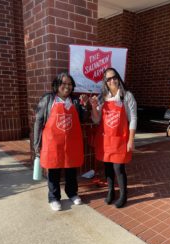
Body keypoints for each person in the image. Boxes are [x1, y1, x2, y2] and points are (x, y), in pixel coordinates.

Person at [34, 72, 88, 211]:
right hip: (52, 143)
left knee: (71, 169)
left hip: (71, 143)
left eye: (70, 84)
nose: (67, 87)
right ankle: (54, 197)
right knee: (54, 170)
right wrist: (36, 143)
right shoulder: (48, 99)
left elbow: (83, 119)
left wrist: (84, 106)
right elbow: (38, 122)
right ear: (57, 85)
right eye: (64, 83)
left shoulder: (75, 101)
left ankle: (72, 193)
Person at [89, 67, 137, 208]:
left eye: (114, 77)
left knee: (118, 168)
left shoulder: (127, 96)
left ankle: (123, 194)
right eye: (108, 79)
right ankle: (111, 191)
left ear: (118, 78)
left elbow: (133, 118)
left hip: (121, 140)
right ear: (105, 82)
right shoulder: (103, 97)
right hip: (106, 140)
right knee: (108, 167)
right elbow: (97, 120)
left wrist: (131, 140)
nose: (112, 80)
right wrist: (93, 106)